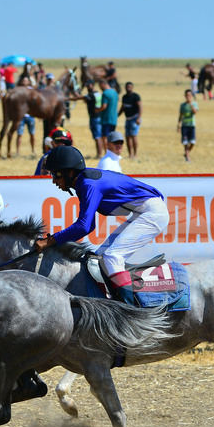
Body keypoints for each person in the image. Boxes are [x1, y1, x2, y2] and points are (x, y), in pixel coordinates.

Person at [35, 145, 169, 305]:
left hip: (152, 213)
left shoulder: (88, 185)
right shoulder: (83, 182)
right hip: (144, 211)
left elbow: (83, 226)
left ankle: (131, 312)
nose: (53, 180)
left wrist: (49, 241)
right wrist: (54, 241)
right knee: (98, 259)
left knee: (112, 258)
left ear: (70, 172)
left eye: (56, 174)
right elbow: (89, 226)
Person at [70, 79, 104, 158]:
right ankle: (99, 154)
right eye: (87, 86)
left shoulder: (92, 95)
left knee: (97, 137)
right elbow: (86, 99)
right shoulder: (96, 94)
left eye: (89, 85)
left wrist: (74, 96)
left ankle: (99, 155)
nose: (87, 87)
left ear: (93, 85)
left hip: (95, 118)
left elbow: (81, 98)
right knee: (97, 136)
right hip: (95, 117)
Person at [118, 82, 142, 158]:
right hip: (128, 119)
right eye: (127, 87)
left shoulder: (135, 97)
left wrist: (138, 118)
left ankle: (135, 154)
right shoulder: (124, 97)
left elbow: (140, 107)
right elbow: (123, 107)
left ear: (132, 87)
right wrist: (117, 115)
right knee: (127, 136)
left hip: (134, 118)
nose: (128, 88)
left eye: (130, 87)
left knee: (133, 135)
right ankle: (130, 154)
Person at [177, 89, 198, 162]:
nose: (188, 96)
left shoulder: (194, 104)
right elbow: (180, 115)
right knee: (185, 142)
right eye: (187, 95)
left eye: (189, 95)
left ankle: (187, 153)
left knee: (192, 142)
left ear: (192, 96)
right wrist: (178, 125)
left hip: (192, 125)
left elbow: (195, 112)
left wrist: (190, 104)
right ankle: (188, 158)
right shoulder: (183, 105)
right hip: (184, 126)